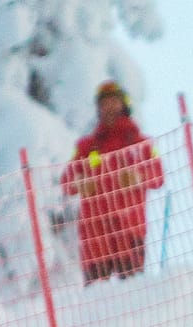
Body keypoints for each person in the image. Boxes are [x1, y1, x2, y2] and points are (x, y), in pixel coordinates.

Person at [61, 81, 165, 285]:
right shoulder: (87, 147)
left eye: (113, 102)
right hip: (95, 235)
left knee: (133, 291)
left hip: (129, 230)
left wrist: (139, 177)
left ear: (124, 105)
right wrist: (79, 181)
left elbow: (158, 175)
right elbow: (66, 181)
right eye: (104, 104)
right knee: (96, 300)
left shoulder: (142, 144)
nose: (109, 108)